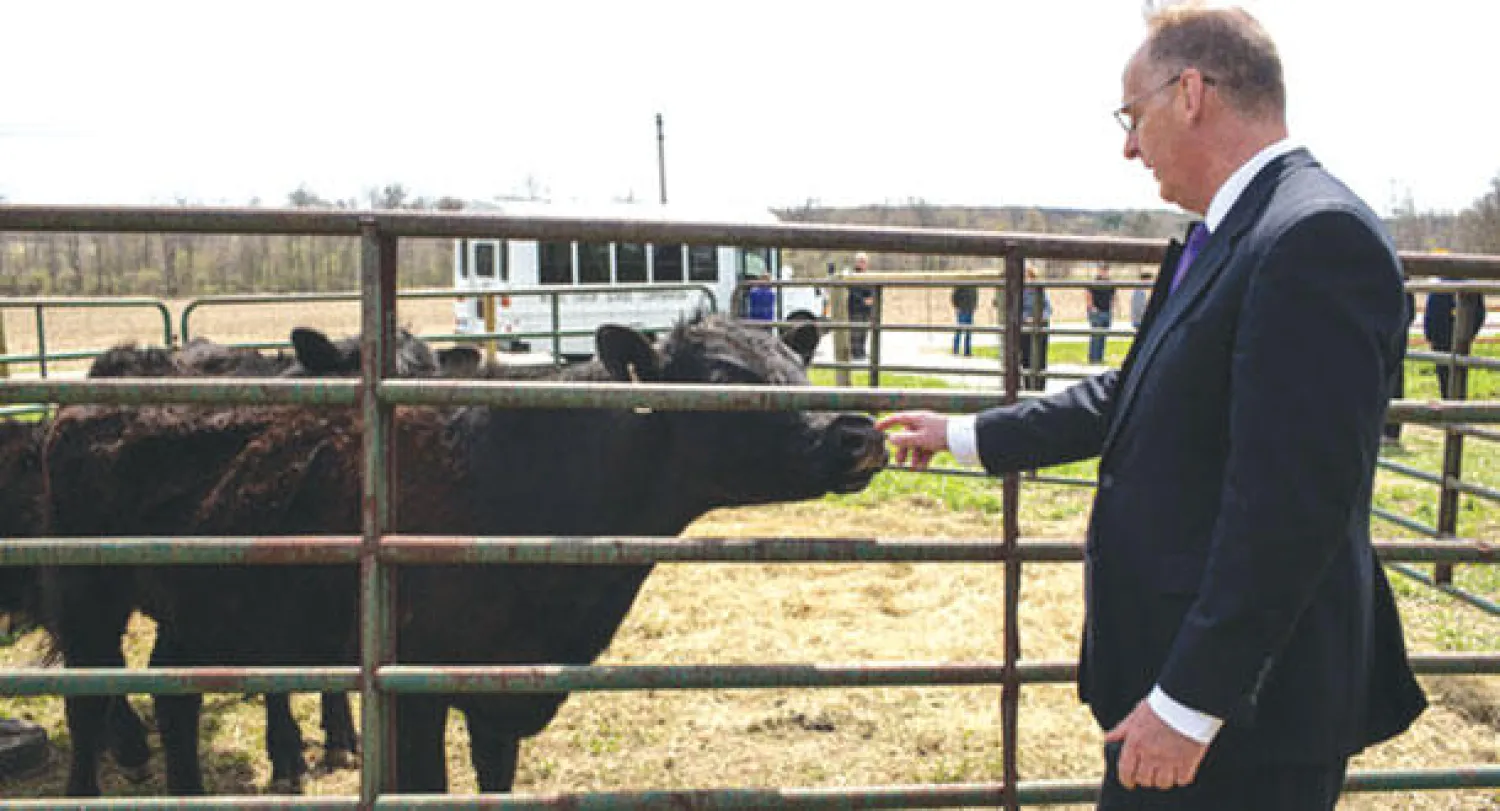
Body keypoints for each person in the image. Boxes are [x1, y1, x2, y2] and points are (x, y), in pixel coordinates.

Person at [877, 7, 1424, 810]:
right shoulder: (1240, 231)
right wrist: (964, 434)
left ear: (1191, 92)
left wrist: (1189, 705)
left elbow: (1292, 509)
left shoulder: (1312, 239)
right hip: (1193, 698)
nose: (1129, 146)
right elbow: (1127, 392)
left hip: (1242, 717)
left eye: (1133, 117)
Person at [1423, 284, 1486, 398]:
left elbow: (1429, 316)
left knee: (1449, 373)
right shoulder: (1469, 286)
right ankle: (1456, 401)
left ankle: (1452, 400)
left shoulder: (1439, 287)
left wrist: (1431, 336)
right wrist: (1469, 333)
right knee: (1455, 373)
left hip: (1443, 338)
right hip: (1450, 338)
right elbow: (1480, 314)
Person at [1012, 266, 1052, 390]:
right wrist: (1027, 318)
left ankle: (1040, 386)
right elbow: (1017, 309)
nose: (1027, 279)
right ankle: (1029, 386)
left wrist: (1040, 318)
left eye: (1029, 276)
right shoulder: (1019, 292)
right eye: (1025, 276)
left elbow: (1048, 307)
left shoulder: (1039, 290)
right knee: (1026, 359)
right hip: (1026, 330)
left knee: (1041, 359)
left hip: (1040, 328)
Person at [846, 252, 875, 360]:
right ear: (857, 262)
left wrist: (871, 299)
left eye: (865, 262)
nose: (863, 264)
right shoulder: (852, 275)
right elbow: (853, 291)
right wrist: (863, 300)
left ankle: (862, 351)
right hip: (856, 308)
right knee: (855, 331)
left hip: (866, 309)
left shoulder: (867, 275)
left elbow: (871, 290)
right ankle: (855, 353)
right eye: (861, 261)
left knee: (864, 330)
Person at [1086, 264, 1117, 364]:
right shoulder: (1094, 282)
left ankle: (1100, 358)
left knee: (1104, 335)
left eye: (1105, 270)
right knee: (1096, 336)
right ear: (1098, 270)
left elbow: (1113, 296)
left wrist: (1112, 308)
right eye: (1102, 269)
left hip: (1107, 311)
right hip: (1096, 312)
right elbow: (1088, 294)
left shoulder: (1110, 283)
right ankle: (1093, 358)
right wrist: (1092, 307)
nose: (1104, 272)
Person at [951, 283, 979, 356]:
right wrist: (958, 307)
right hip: (962, 310)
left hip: (969, 311)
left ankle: (967, 351)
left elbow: (975, 297)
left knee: (968, 332)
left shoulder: (974, 286)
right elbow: (954, 297)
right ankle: (956, 350)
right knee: (959, 331)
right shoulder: (961, 285)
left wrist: (973, 307)